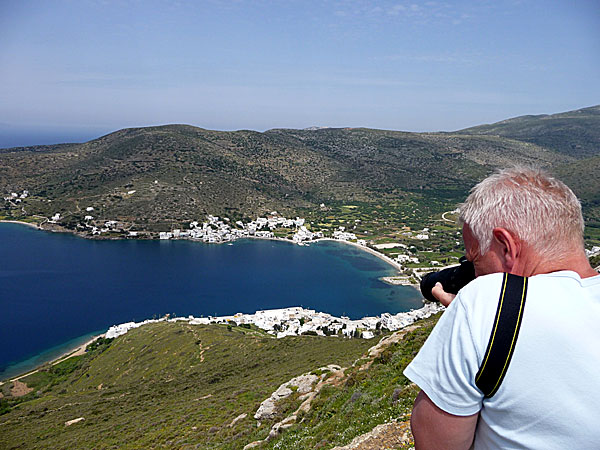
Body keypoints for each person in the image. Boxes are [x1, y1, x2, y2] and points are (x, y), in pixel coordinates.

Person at [403, 167, 600, 449]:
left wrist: (470, 319)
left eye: (476, 261)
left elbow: (434, 443)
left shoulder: (488, 301)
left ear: (506, 247)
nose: (476, 275)